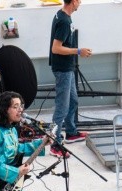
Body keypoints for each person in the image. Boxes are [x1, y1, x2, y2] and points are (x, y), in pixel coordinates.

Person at [49, 0, 92, 144]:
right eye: (79, 0)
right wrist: (79, 51)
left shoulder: (63, 15)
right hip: (63, 70)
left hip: (68, 67)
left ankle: (71, 133)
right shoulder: (64, 21)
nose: (80, 3)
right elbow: (56, 48)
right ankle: (56, 143)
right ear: (73, 1)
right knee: (62, 107)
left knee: (73, 101)